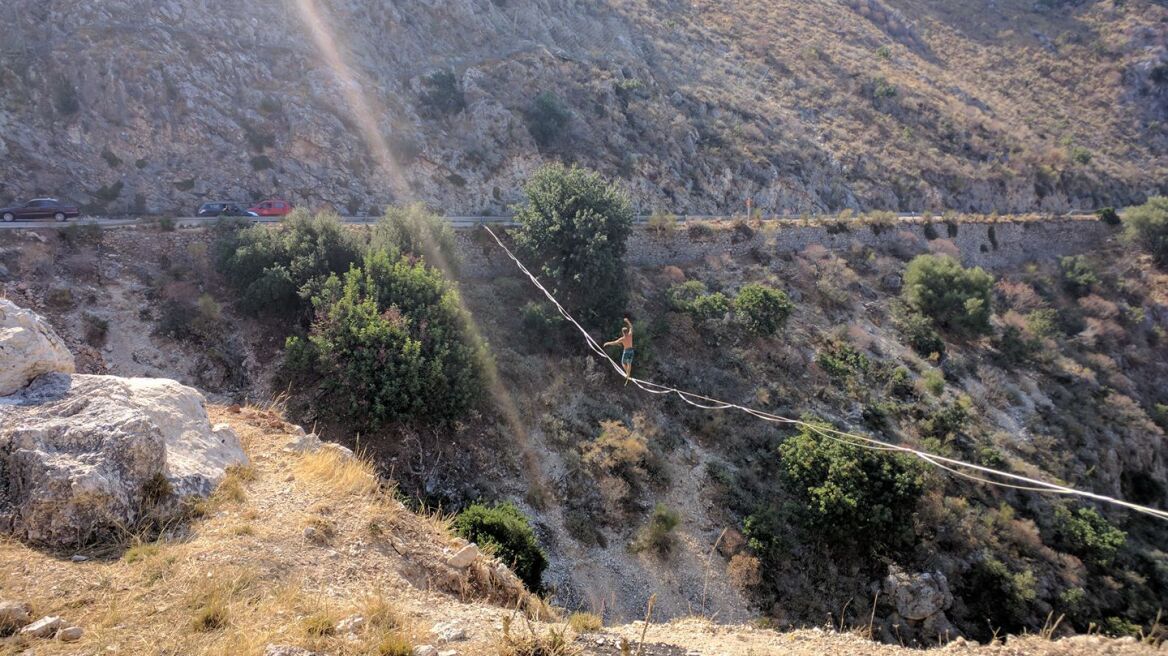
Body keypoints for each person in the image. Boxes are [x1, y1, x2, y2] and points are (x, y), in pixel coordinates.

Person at [604, 317, 635, 384]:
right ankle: (628, 374)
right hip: (631, 351)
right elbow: (631, 327)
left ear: (623, 333)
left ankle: (627, 374)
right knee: (629, 363)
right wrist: (627, 321)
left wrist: (607, 343)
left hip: (626, 351)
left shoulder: (622, 339)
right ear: (627, 332)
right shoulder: (630, 335)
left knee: (623, 363)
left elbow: (614, 342)